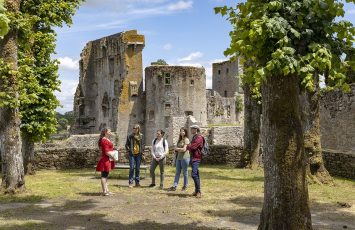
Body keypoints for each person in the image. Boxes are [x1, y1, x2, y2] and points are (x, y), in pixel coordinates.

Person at [96, 128, 116, 196]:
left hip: (108, 159)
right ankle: (104, 191)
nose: (110, 132)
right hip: (105, 160)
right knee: (104, 176)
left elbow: (109, 149)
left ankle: (107, 190)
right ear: (106, 132)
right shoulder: (104, 140)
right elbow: (106, 152)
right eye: (109, 131)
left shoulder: (107, 139)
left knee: (106, 175)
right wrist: (113, 157)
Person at [186, 124, 204, 198]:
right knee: (196, 174)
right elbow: (191, 146)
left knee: (194, 174)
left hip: (196, 158)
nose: (191, 130)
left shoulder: (199, 137)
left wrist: (187, 146)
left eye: (192, 129)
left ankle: (199, 191)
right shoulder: (194, 137)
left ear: (196, 129)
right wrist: (189, 146)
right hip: (193, 157)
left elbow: (193, 147)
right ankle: (197, 191)